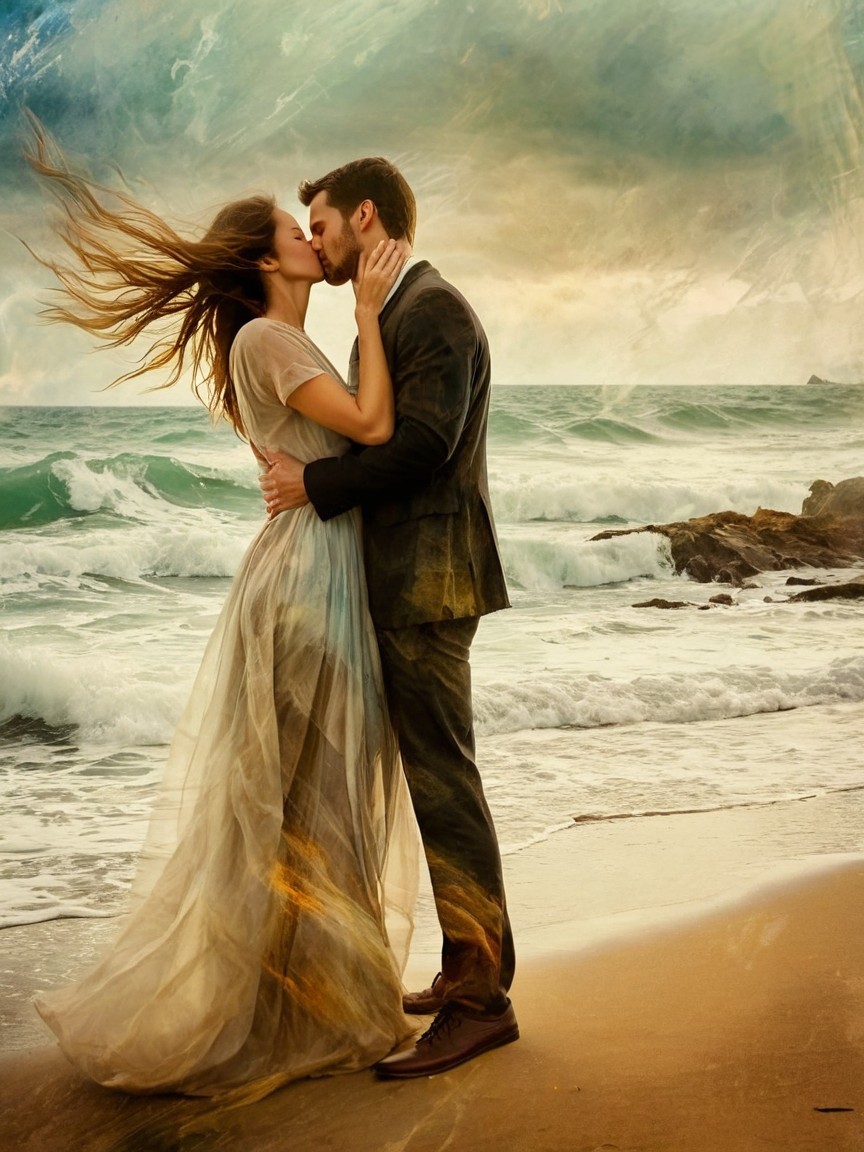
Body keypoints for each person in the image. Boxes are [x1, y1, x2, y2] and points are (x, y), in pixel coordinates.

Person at [25, 124, 420, 1099]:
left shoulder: (282, 340)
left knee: (311, 797)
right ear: (265, 260)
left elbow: (332, 452)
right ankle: (306, 1012)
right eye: (295, 230)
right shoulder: (267, 337)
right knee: (310, 798)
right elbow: (373, 425)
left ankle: (314, 1000)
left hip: (313, 568)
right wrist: (371, 310)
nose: (311, 239)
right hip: (307, 582)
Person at [259, 158, 518, 1079]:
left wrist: (314, 482)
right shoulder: (395, 309)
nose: (318, 242)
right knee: (436, 777)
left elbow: (424, 446)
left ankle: (483, 1002)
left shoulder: (431, 309)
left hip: (431, 581)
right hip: (412, 580)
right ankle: (466, 972)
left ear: (364, 216)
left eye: (323, 224)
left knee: (444, 782)